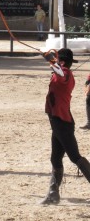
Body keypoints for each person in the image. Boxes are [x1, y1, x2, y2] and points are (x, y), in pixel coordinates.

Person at [41, 48, 90, 205]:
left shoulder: (65, 73)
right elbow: (57, 71)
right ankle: (53, 195)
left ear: (61, 62)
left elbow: (60, 72)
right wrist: (52, 61)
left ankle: (53, 194)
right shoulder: (62, 73)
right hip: (58, 122)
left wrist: (50, 59)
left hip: (62, 122)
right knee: (55, 158)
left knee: (75, 157)